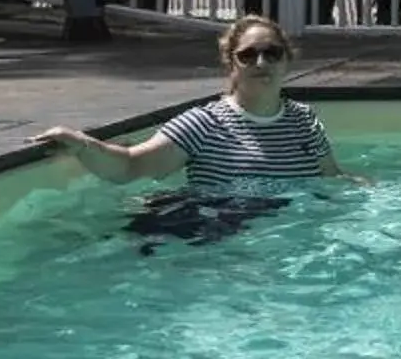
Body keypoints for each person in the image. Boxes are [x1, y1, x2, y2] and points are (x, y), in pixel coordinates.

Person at [40, 13, 366, 241]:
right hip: (213, 237)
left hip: (283, 238)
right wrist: (82, 144)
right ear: (231, 64)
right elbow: (130, 166)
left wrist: (381, 195)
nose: (261, 63)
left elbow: (331, 176)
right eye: (248, 55)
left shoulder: (303, 120)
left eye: (272, 53)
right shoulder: (205, 123)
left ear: (286, 60)